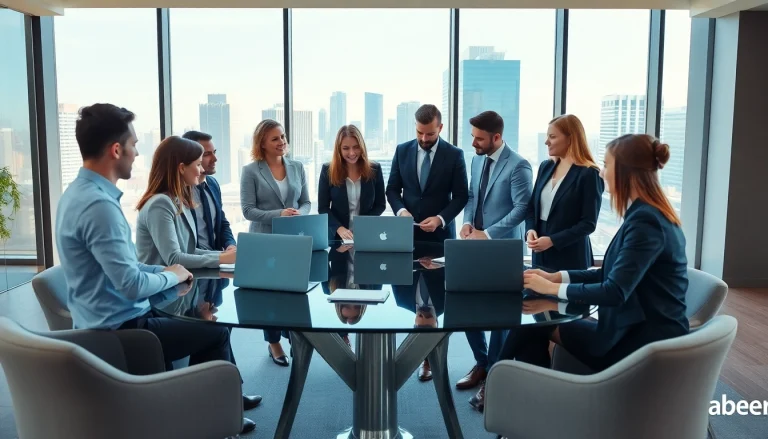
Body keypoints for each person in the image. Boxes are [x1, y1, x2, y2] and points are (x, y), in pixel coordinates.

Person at [54, 104, 259, 434]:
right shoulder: (99, 206)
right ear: (116, 149)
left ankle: (206, 405)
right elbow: (131, 285)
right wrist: (171, 274)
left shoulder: (78, 194)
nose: (137, 153)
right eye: (134, 145)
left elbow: (128, 266)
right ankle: (207, 417)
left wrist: (166, 272)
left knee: (201, 323)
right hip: (122, 332)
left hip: (111, 321)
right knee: (216, 331)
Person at [490, 134, 689, 411]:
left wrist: (550, 289)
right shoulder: (647, 214)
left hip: (638, 345)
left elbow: (614, 291)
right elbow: (610, 274)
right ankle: (521, 398)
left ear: (624, 172)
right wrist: (557, 277)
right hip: (632, 330)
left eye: (607, 165)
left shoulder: (646, 222)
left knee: (535, 327)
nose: (603, 173)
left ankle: (511, 393)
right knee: (535, 323)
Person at [458, 111, 533, 398]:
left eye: (479, 138)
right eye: (472, 137)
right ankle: (482, 362)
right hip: (473, 245)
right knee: (465, 305)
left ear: (497, 137)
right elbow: (473, 197)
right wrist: (467, 222)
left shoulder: (519, 165)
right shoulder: (477, 159)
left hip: (501, 249)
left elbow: (521, 209)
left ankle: (495, 375)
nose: (473, 143)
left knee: (501, 315)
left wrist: (486, 233)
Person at [240, 118, 310, 366]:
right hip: (264, 241)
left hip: (292, 239)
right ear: (262, 143)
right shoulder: (251, 171)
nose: (282, 142)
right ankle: (273, 342)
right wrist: (278, 215)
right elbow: (248, 211)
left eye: (282, 136)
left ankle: (293, 336)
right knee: (268, 295)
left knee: (292, 291)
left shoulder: (297, 166)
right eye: (275, 138)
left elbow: (306, 201)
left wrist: (299, 213)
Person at [135, 136, 236, 269]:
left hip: (180, 283)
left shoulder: (180, 200)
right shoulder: (160, 204)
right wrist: (222, 258)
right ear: (182, 168)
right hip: (161, 287)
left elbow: (189, 250)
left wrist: (225, 255)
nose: (201, 170)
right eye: (198, 164)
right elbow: (174, 258)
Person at [525, 114, 604, 271]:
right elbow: (532, 208)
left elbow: (588, 224)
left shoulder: (589, 174)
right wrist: (531, 230)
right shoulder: (545, 167)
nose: (546, 142)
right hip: (540, 253)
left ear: (570, 139)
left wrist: (552, 240)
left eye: (552, 137)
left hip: (570, 256)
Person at [386, 104, 468, 243]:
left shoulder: (455, 155)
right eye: (419, 132)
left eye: (430, 134)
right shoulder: (402, 151)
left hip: (441, 237)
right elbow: (392, 190)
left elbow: (461, 196)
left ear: (440, 128)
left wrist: (440, 219)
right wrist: (401, 212)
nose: (424, 139)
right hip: (406, 234)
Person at [318, 124, 386, 241]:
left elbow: (380, 205)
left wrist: (363, 225)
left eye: (356, 147)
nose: (352, 153)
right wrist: (339, 228)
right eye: (346, 148)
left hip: (367, 234)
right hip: (337, 237)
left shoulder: (374, 169)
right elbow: (323, 208)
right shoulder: (327, 170)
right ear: (339, 149)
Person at [181, 130, 237, 252]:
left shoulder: (213, 184)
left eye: (214, 152)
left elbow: (221, 223)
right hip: (192, 262)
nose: (215, 159)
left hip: (216, 259)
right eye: (207, 154)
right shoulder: (178, 191)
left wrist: (230, 245)